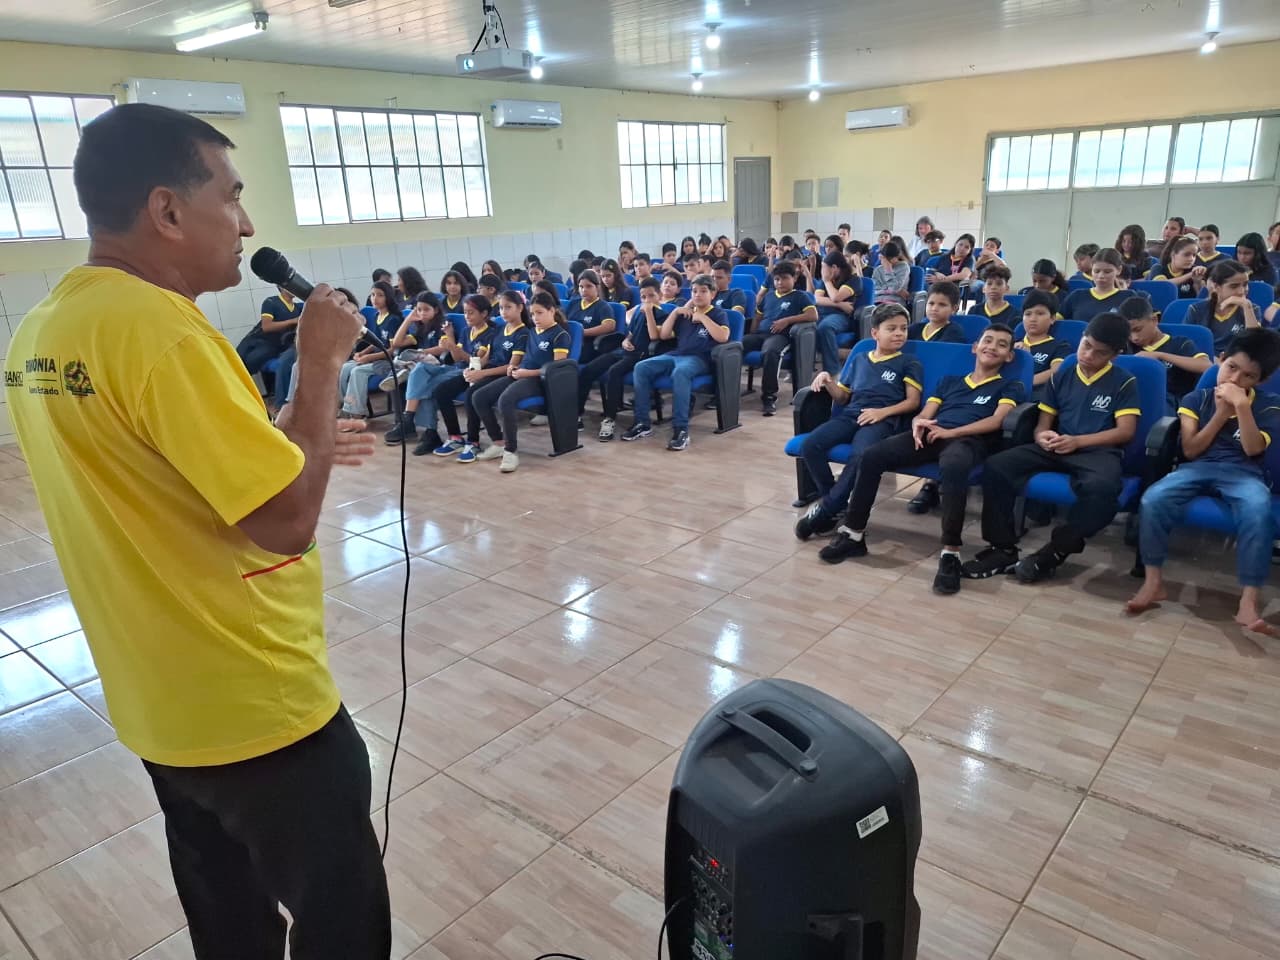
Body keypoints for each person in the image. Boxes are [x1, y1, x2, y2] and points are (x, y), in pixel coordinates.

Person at [4, 102, 388, 958]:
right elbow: (285, 522)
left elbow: (155, 479)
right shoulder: (164, 333)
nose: (247, 225)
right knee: (342, 921)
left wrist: (290, 436)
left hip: (159, 700)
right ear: (167, 211)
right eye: (233, 195)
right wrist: (320, 366)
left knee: (229, 924)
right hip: (253, 702)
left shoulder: (43, 331)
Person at [820, 324, 1024, 593]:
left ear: (1009, 356)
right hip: (931, 434)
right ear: (975, 348)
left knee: (953, 466)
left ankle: (950, 552)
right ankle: (853, 534)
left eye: (1001, 344)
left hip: (968, 440)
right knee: (871, 456)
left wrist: (951, 432)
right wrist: (918, 423)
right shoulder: (950, 381)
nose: (992, 347)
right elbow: (927, 412)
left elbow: (996, 421)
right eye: (988, 341)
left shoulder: (1010, 385)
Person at [961, 312, 1139, 584]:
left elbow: (1125, 431)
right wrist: (1042, 436)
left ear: (1114, 355)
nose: (1088, 355)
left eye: (1099, 352)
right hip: (1056, 445)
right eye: (1086, 345)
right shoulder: (1062, 375)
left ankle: (1054, 552)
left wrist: (1078, 441)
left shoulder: (1124, 381)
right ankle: (1002, 548)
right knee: (998, 466)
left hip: (1096, 451)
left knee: (1103, 493)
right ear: (1082, 338)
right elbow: (1043, 424)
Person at [1127, 329, 1280, 633]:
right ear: (1220, 360)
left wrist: (1241, 407)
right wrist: (1221, 414)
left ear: (1261, 381)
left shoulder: (1269, 405)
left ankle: (1248, 600)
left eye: (1248, 376)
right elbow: (1191, 450)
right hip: (1197, 468)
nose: (1234, 380)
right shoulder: (1196, 398)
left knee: (1257, 509)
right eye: (1231, 367)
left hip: (1243, 474)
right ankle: (1153, 583)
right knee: (1153, 498)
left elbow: (1253, 449)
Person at [793, 304, 922, 538]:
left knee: (860, 455)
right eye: (891, 328)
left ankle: (827, 508)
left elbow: (912, 402)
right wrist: (827, 381)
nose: (899, 333)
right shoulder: (860, 358)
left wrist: (882, 413)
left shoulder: (908, 362)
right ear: (875, 333)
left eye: (903, 328)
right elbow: (843, 397)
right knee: (811, 445)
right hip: (851, 414)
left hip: (882, 420)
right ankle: (835, 502)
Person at [464, 290, 571, 472]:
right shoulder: (533, 332)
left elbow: (555, 370)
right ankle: (498, 442)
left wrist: (526, 373)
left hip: (539, 380)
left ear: (552, 311)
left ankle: (510, 451)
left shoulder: (560, 335)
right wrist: (514, 368)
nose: (535, 318)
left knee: (506, 400)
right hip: (520, 374)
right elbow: (525, 359)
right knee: (479, 397)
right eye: (533, 314)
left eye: (540, 313)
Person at [623, 275, 731, 451]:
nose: (698, 295)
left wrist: (703, 318)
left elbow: (723, 337)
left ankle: (681, 429)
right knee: (641, 367)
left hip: (699, 358)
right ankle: (642, 422)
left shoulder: (718, 313)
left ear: (713, 294)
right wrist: (675, 313)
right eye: (694, 291)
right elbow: (664, 335)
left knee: (680, 373)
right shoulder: (685, 314)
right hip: (676, 354)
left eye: (703, 291)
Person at [433, 293, 528, 458]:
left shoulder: (523, 333)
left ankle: (474, 442)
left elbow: (511, 366)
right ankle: (455, 437)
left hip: (501, 374)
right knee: (441, 391)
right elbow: (486, 358)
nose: (503, 312)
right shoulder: (500, 329)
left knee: (473, 394)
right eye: (501, 308)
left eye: (508, 307)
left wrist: (481, 373)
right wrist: (473, 370)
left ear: (520, 308)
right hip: (486, 370)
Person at [382, 292, 477, 447]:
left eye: (426, 309)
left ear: (436, 310)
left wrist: (420, 353)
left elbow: (444, 349)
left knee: (420, 377)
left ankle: (409, 421)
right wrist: (408, 319)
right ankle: (423, 430)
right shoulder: (420, 328)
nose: (422, 313)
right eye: (419, 310)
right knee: (411, 379)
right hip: (424, 367)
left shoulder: (443, 324)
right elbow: (397, 343)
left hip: (440, 366)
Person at [590, 277, 672, 441]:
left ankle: (609, 418)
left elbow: (654, 336)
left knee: (614, 372)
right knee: (592, 368)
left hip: (641, 355)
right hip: (625, 350)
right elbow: (631, 333)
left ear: (660, 295)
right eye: (643, 297)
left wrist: (649, 312)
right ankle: (577, 414)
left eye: (651, 296)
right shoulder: (637, 312)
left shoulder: (662, 315)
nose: (647, 300)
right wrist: (625, 340)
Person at [745, 260, 818, 416]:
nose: (780, 282)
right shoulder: (769, 296)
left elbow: (813, 315)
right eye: (777, 279)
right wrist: (752, 333)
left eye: (784, 278)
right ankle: (721, 394)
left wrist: (787, 320)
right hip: (761, 334)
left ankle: (769, 397)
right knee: (736, 346)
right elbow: (757, 317)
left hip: (781, 336)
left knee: (770, 352)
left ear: (794, 278)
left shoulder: (800, 296)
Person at [1121, 296, 1209, 413]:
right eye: (1128, 332)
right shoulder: (1125, 347)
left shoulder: (1180, 344)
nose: (1134, 337)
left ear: (1154, 320)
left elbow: (1206, 366)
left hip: (1169, 403)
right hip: (1131, 400)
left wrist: (1160, 355)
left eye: (1138, 330)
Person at [337, 281, 398, 417]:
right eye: (372, 295)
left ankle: (357, 412)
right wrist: (362, 353)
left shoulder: (393, 319)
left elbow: (391, 350)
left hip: (387, 362)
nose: (375, 298)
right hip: (374, 359)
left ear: (388, 297)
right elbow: (376, 342)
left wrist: (368, 358)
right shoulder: (377, 316)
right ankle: (346, 405)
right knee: (344, 368)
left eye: (380, 295)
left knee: (357, 371)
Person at [1186, 259, 1261, 355]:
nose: (1242, 291)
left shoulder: (1251, 309)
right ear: (1216, 287)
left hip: (1237, 361)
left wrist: (1247, 307)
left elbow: (1255, 345)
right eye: (1234, 286)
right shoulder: (1196, 310)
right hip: (1205, 360)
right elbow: (1187, 345)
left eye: (1245, 284)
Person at [236, 285, 301, 388]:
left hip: (273, 347)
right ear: (281, 287)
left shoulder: (298, 308)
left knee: (252, 363)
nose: (294, 288)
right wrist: (292, 321)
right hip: (256, 341)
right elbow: (267, 326)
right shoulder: (271, 302)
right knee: (236, 364)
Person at [1016, 290, 1071, 401]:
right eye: (1028, 314)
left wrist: (1024, 383)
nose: (1032, 319)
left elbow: (1056, 371)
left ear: (1052, 318)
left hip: (1036, 398)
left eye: (1040, 313)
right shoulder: (1012, 344)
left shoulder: (1060, 346)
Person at [813, 251, 861, 375]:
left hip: (841, 316)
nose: (822, 271)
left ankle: (833, 372)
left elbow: (836, 296)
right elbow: (816, 299)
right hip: (822, 314)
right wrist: (840, 304)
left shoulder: (853, 280)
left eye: (824, 267)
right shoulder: (824, 280)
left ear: (834, 268)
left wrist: (827, 282)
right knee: (805, 327)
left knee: (825, 327)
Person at [1060, 248, 1136, 323]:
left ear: (1119, 270)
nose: (1101, 276)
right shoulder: (1077, 296)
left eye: (1107, 272)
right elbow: (1057, 320)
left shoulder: (1128, 297)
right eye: (1096, 271)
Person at [565, 268, 617, 364]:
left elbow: (609, 326)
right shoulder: (573, 303)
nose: (584, 290)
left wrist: (581, 332)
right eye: (581, 287)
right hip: (569, 343)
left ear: (597, 287)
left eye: (589, 286)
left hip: (588, 345)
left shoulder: (603, 306)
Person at [873, 241, 910, 306]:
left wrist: (888, 269)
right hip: (877, 301)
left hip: (895, 302)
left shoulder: (903, 267)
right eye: (886, 258)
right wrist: (893, 290)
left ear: (897, 257)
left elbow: (895, 288)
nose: (888, 261)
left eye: (890, 258)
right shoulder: (878, 270)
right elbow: (874, 290)